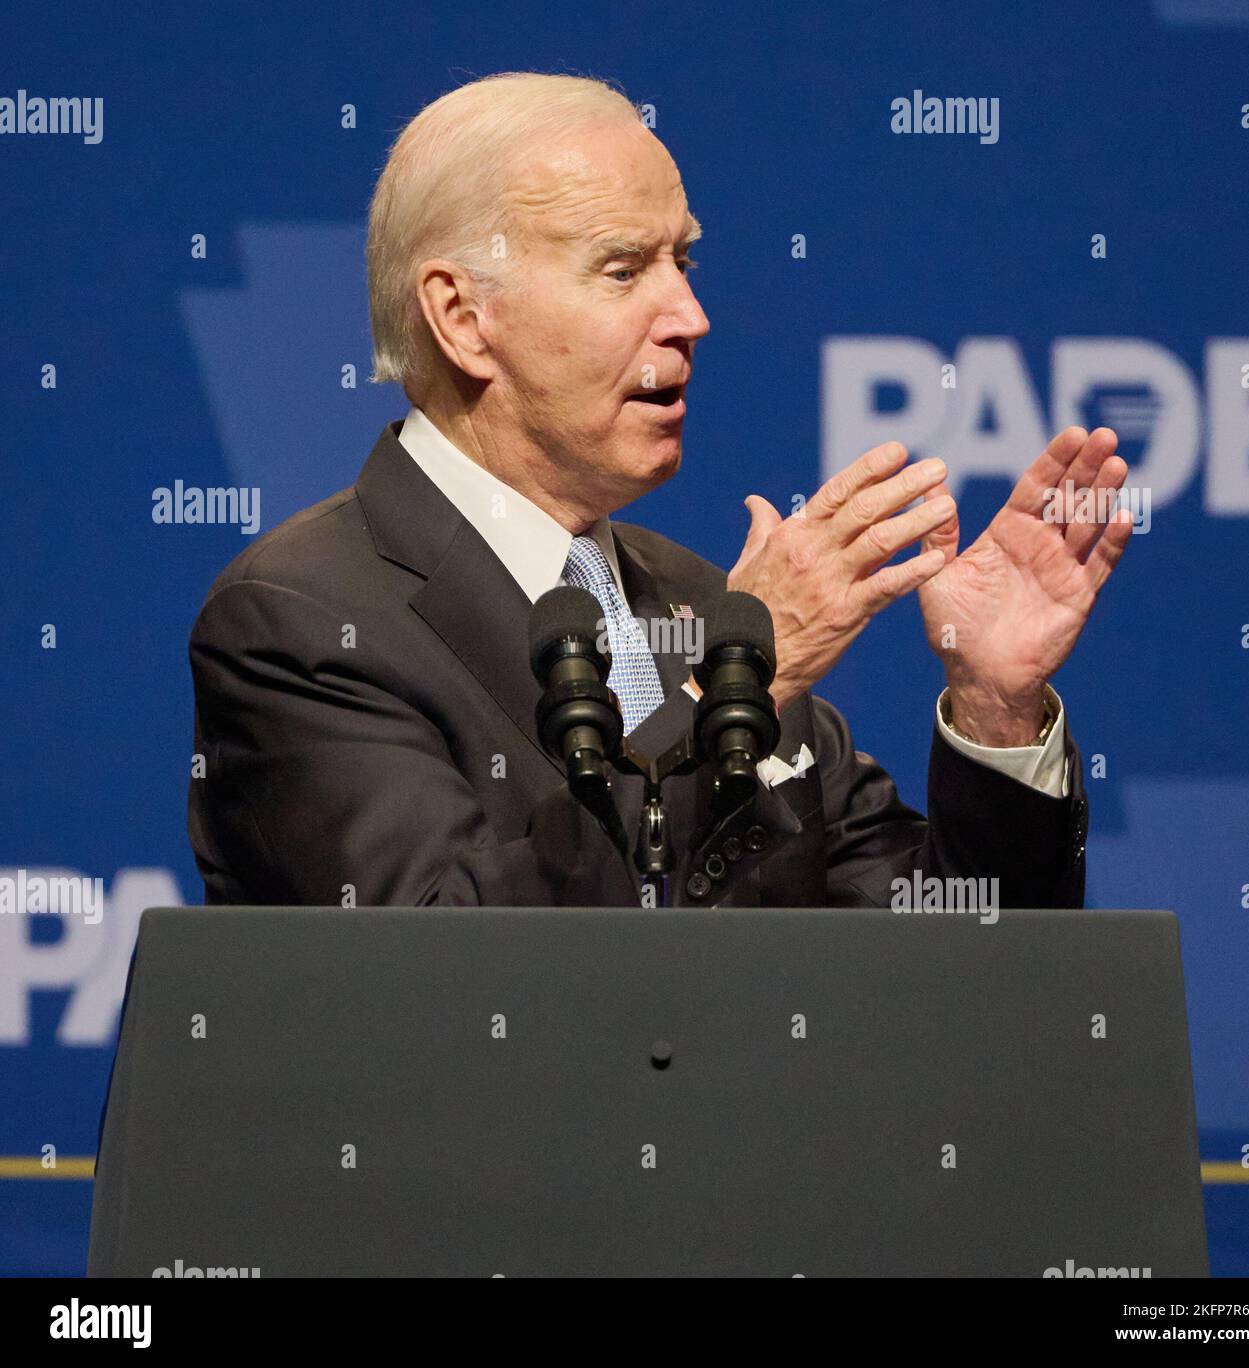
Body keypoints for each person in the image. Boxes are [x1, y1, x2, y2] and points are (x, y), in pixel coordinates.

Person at [188, 72, 1132, 910]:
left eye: (683, 261)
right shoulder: (300, 621)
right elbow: (442, 975)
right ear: (464, 318)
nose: (690, 315)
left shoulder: (706, 604)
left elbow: (966, 976)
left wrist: (995, 713)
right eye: (623, 269)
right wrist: (732, 691)